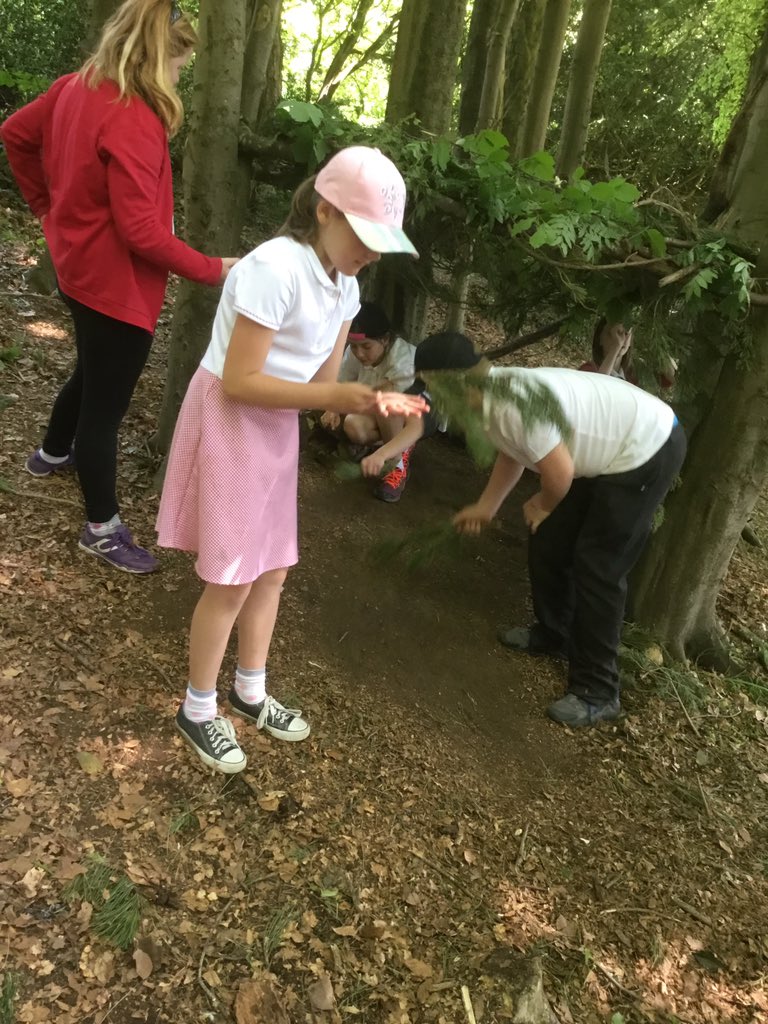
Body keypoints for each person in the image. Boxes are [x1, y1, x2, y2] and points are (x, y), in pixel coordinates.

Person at [156, 146, 427, 773]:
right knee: (232, 576)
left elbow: (320, 381)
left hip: (275, 427)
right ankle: (198, 708)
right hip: (233, 418)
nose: (372, 251)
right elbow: (239, 380)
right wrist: (331, 395)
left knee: (273, 567)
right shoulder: (273, 268)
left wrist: (361, 396)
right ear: (326, 210)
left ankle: (249, 690)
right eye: (365, 234)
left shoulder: (347, 286)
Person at [0, 0, 238, 574]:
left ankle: (52, 454)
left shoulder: (74, 86)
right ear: (159, 53)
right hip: (116, 286)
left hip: (76, 269)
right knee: (106, 409)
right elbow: (141, 233)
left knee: (91, 369)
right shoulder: (133, 116)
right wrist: (214, 269)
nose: (183, 73)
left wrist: (47, 210)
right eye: (181, 61)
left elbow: (14, 132)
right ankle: (101, 528)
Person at [413, 332, 687, 728]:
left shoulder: (512, 403)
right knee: (549, 537)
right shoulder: (489, 399)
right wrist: (487, 506)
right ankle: (554, 633)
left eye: (435, 387)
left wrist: (542, 503)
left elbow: (558, 473)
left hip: (647, 446)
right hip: (601, 453)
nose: (434, 397)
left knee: (598, 566)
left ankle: (598, 692)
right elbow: (516, 450)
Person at [320, 301, 416, 492]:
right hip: (378, 411)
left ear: (385, 340)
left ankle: (398, 462)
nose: (359, 353)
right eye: (354, 346)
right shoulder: (354, 354)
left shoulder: (403, 360)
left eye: (366, 346)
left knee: (385, 402)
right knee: (353, 425)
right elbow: (342, 382)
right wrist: (332, 408)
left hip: (414, 417)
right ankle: (385, 447)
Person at [358, 372, 439, 502]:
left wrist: (381, 454)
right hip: (401, 392)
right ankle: (397, 444)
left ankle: (399, 464)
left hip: (426, 403)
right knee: (357, 426)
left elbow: (417, 427)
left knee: (392, 404)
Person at [581, 318, 676, 389]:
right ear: (599, 339)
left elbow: (666, 382)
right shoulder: (588, 369)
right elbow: (597, 389)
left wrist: (667, 366)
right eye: (612, 333)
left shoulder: (633, 374)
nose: (620, 340)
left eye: (626, 333)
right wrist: (615, 348)